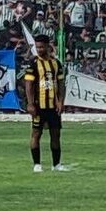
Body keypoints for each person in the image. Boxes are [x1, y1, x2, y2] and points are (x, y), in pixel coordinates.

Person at [23, 34, 68, 173]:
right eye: (37, 47)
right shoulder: (34, 63)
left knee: (56, 134)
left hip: (53, 106)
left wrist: (61, 101)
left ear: (48, 46)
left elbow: (61, 83)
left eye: (42, 47)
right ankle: (37, 164)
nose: (39, 49)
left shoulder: (56, 63)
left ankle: (56, 164)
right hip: (38, 105)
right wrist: (30, 103)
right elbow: (29, 84)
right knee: (36, 133)